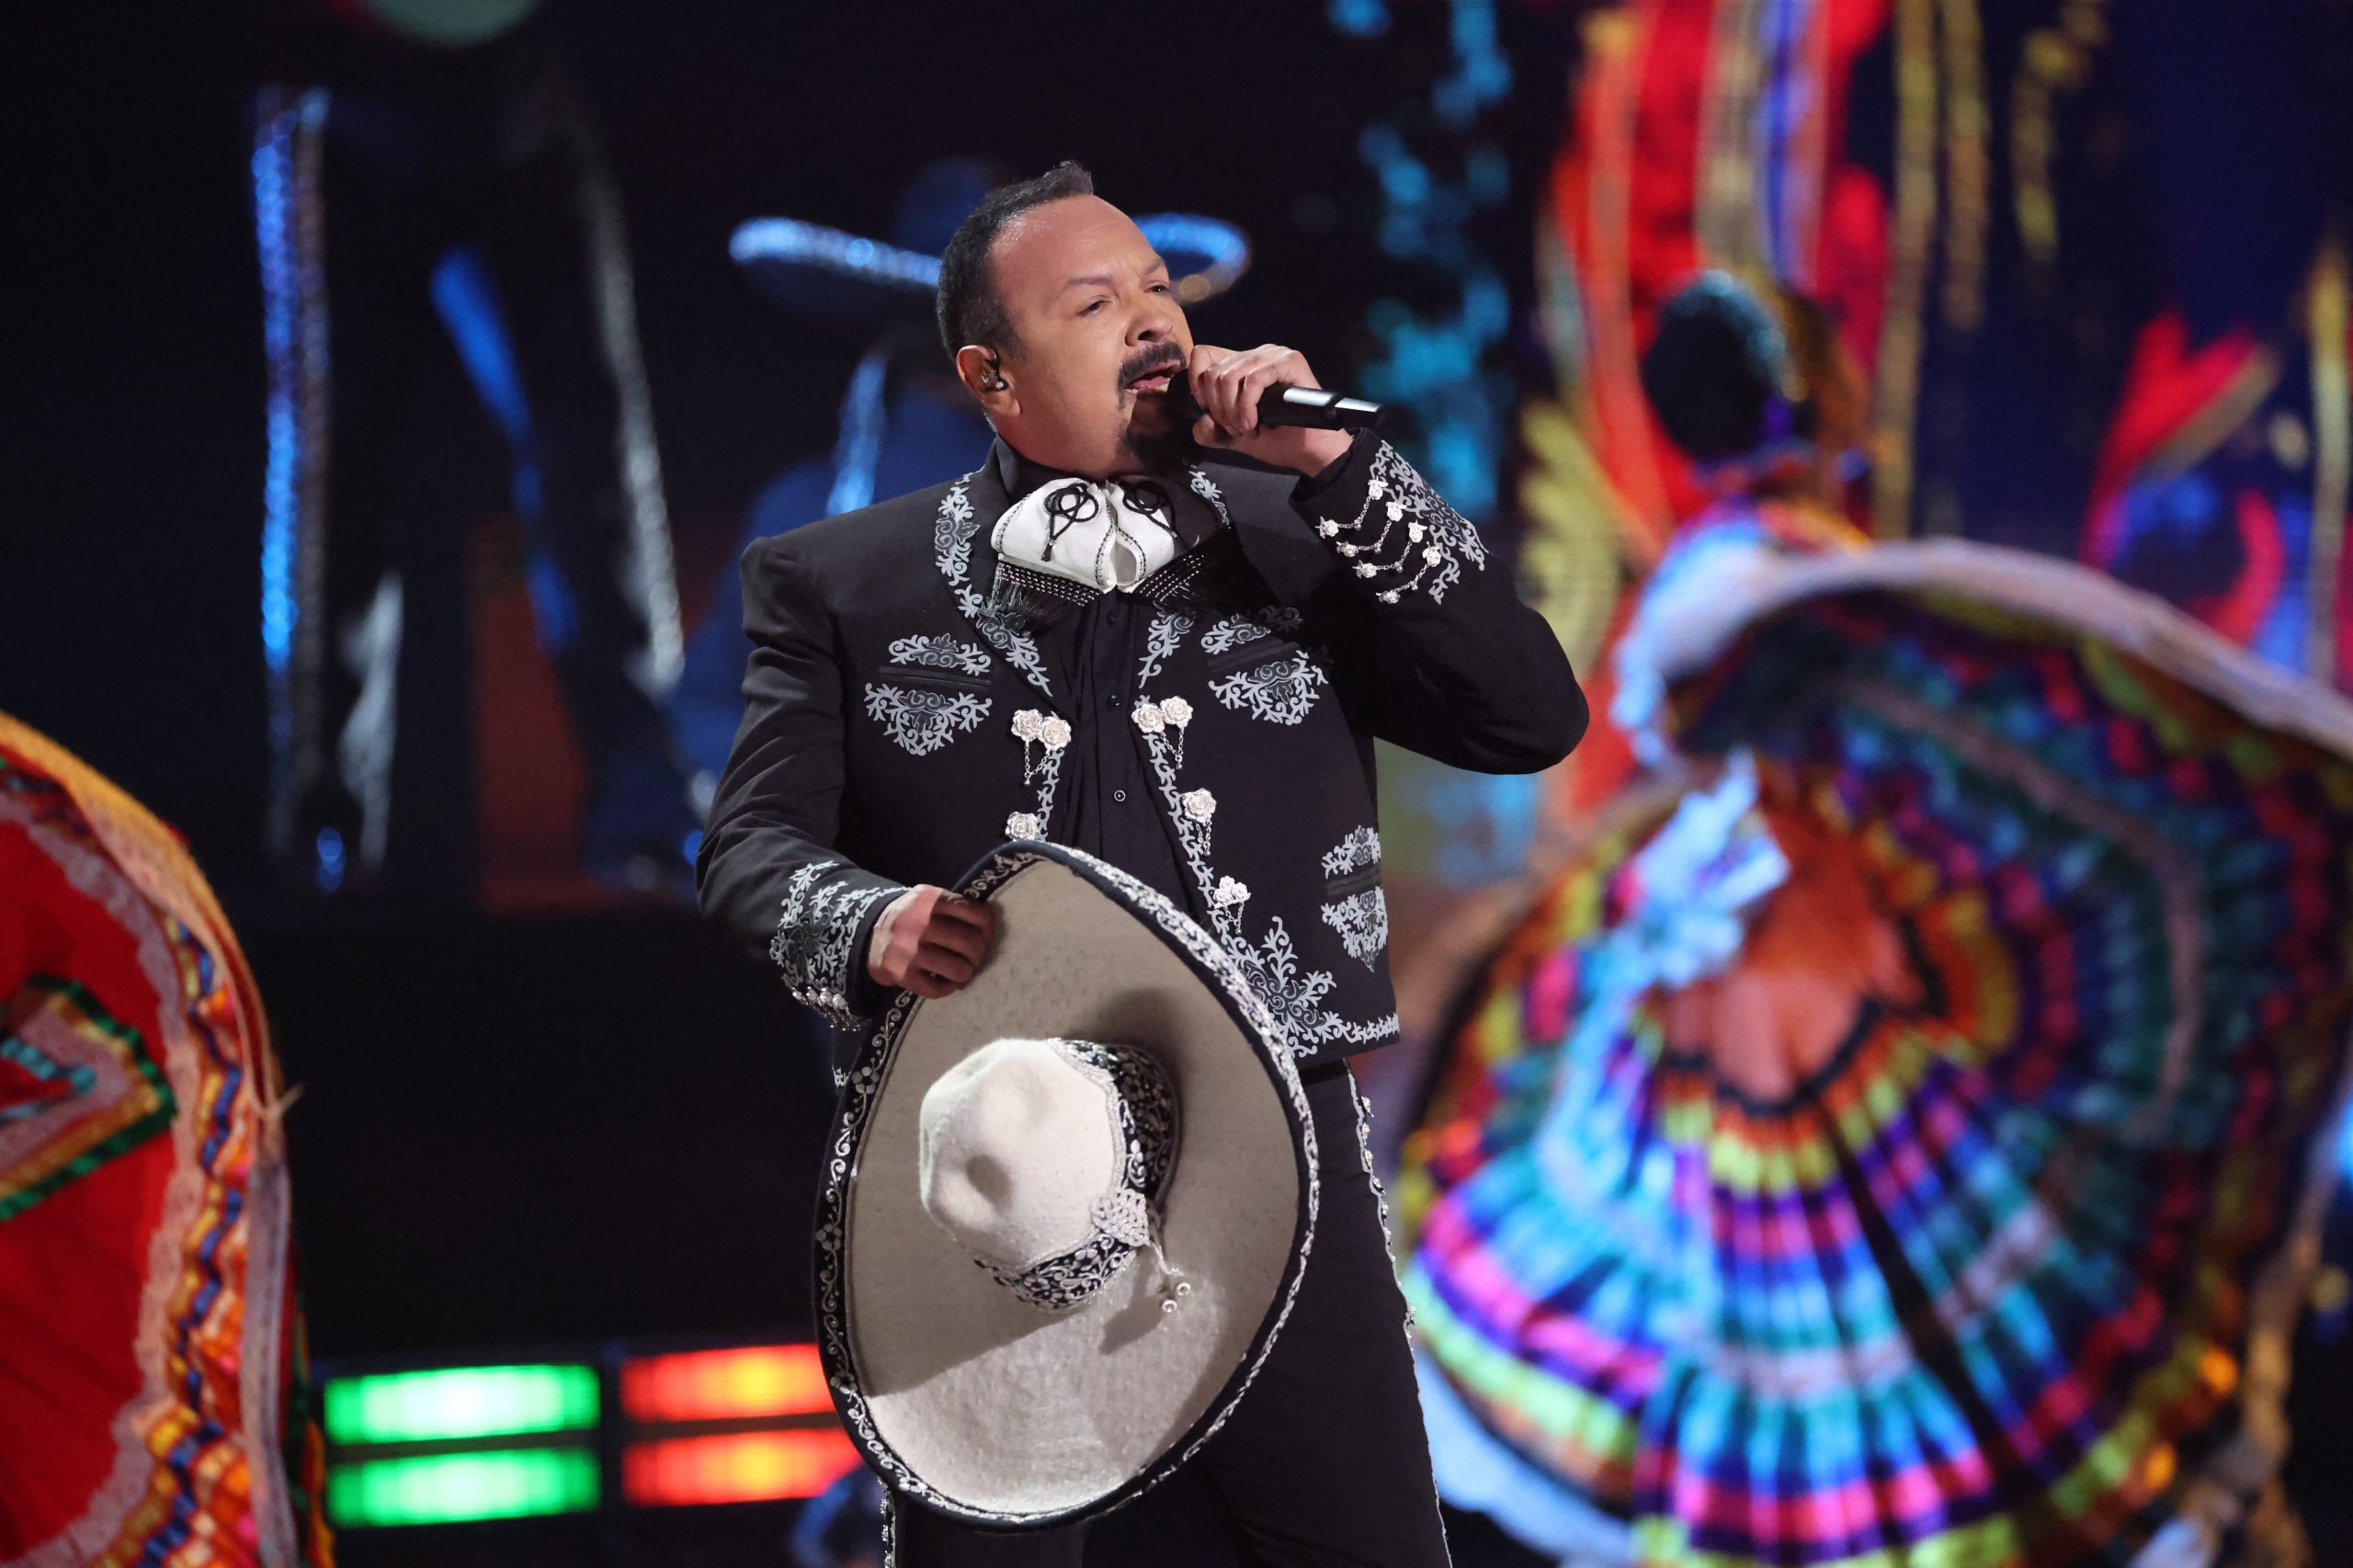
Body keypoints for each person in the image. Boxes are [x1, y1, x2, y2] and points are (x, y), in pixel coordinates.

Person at [698, 162, 1587, 1565]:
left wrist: (1347, 471)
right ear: (991, 373)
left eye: (1159, 291)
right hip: (996, 1171)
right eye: (1095, 302)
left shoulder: (1302, 538)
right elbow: (748, 845)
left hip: (1280, 1160)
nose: (1153, 322)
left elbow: (1528, 715)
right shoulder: (841, 581)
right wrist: (864, 920)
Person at [1396, 273, 2353, 1567]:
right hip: (1799, 966)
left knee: (1837, 1322)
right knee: (1909, 1335)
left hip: (1774, 976)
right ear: (1815, 398)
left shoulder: (1771, 577)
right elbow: (1736, 690)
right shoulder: (1780, 580)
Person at [247, 0, 693, 897]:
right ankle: (322, 820)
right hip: (343, 85)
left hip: (517, 81)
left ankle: (647, 809)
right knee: (336, 473)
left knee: (591, 454)